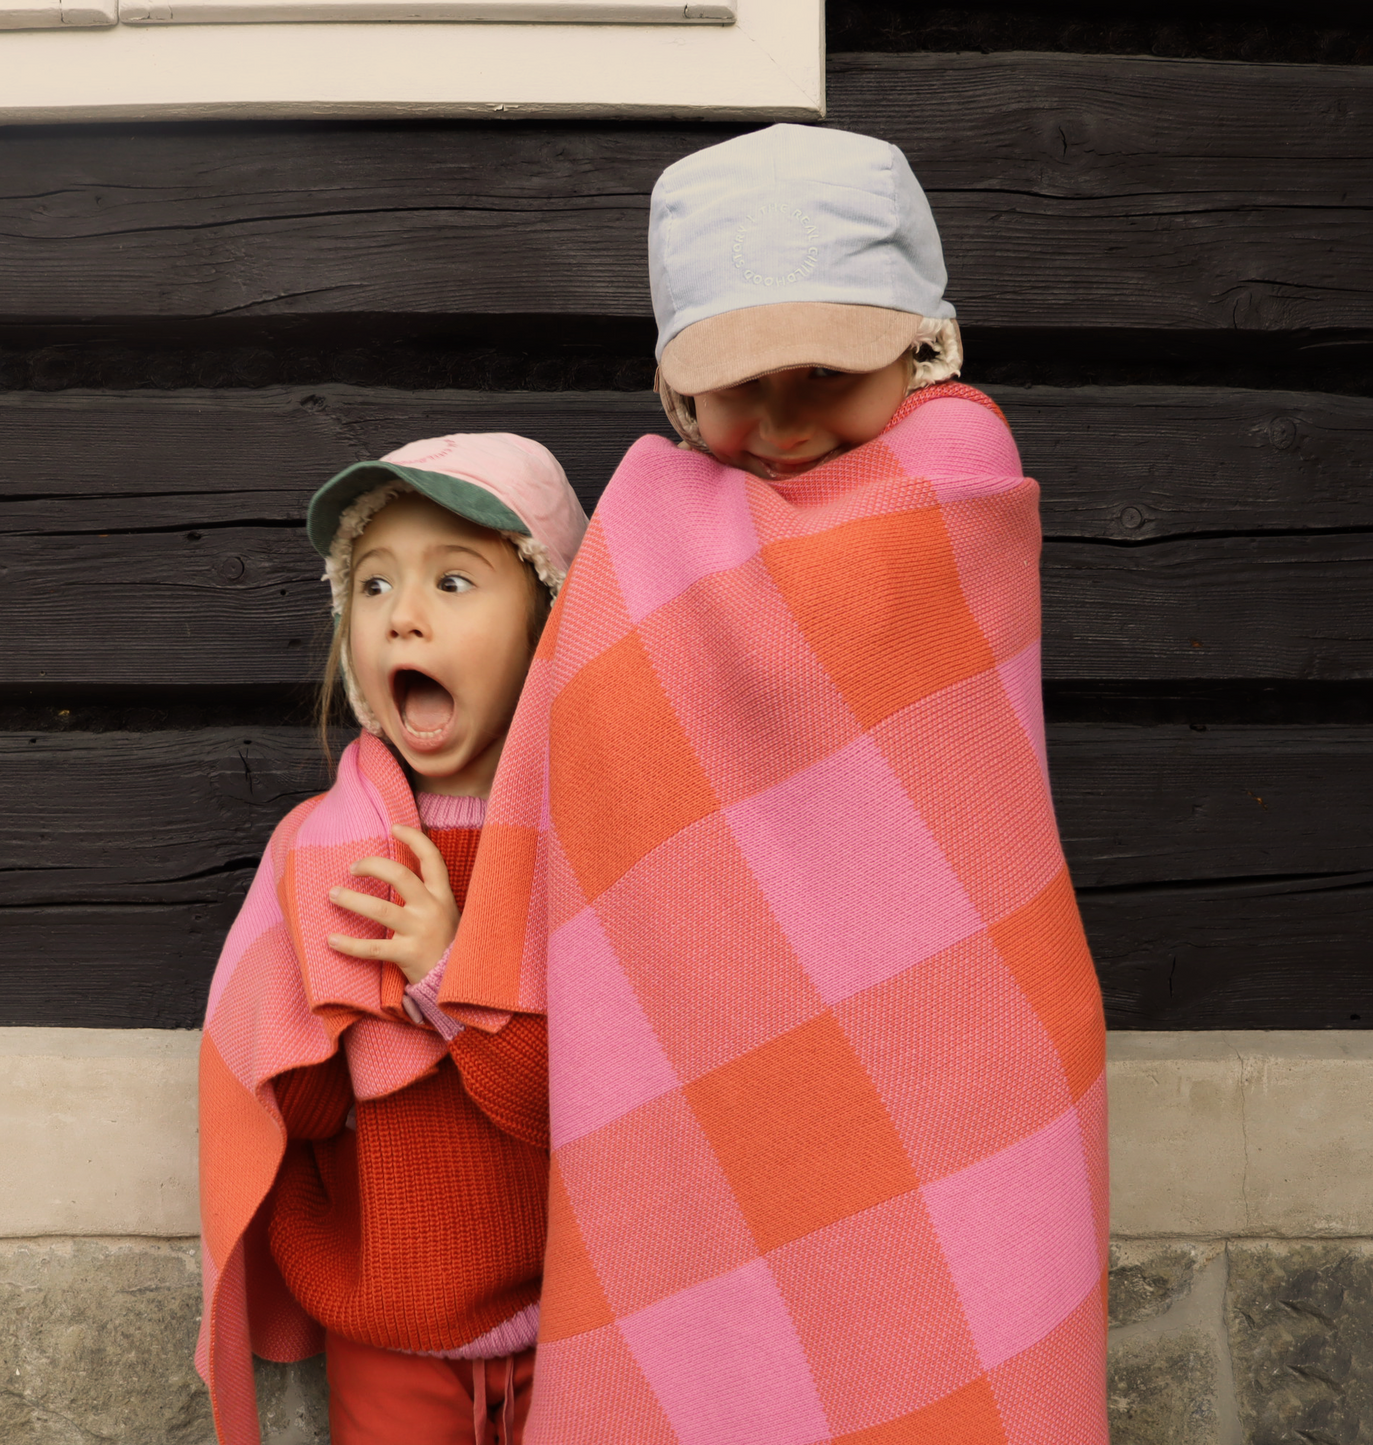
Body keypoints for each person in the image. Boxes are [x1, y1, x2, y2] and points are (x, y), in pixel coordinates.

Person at [442, 124, 1110, 1443]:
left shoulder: (960, 473)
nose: (789, 417)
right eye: (738, 385)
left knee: (965, 1362)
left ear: (929, 346)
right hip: (701, 1060)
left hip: (959, 1065)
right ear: (671, 389)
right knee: (708, 1360)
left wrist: (652, 517)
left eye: (829, 368)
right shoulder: (655, 522)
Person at [195, 433, 588, 1445]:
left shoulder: (582, 846)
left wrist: (447, 973)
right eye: (373, 586)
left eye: (454, 580)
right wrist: (324, 1007)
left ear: (549, 622)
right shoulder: (326, 847)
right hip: (395, 1325)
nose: (403, 613)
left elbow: (576, 1104)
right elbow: (307, 1112)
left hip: (587, 1321)